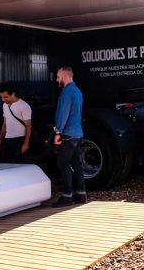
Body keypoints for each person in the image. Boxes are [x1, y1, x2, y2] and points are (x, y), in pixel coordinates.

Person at [51, 66, 87, 207]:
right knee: (76, 164)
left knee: (63, 164)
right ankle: (81, 194)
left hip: (68, 134)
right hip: (78, 133)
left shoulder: (66, 92)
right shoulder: (77, 91)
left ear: (65, 76)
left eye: (58, 76)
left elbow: (63, 113)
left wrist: (58, 132)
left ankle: (67, 196)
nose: (57, 80)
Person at [0, 82, 32, 163]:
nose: (3, 100)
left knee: (21, 165)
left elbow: (28, 126)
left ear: (13, 94)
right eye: (2, 97)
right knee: (6, 164)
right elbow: (5, 123)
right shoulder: (4, 105)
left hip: (20, 140)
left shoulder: (24, 106)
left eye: (6, 97)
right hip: (7, 140)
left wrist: (26, 143)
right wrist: (0, 139)